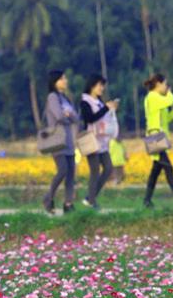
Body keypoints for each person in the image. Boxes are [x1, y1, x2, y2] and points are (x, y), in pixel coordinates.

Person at [142, 73, 173, 208]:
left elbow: (165, 120)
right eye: (165, 84)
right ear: (158, 84)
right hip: (154, 137)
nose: (166, 87)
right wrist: (170, 93)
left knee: (156, 171)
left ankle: (147, 200)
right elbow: (169, 100)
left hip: (158, 137)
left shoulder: (156, 99)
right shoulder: (153, 97)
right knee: (169, 168)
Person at [42, 70, 80, 214]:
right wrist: (67, 116)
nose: (65, 81)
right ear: (55, 82)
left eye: (65, 78)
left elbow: (75, 117)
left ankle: (68, 203)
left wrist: (68, 115)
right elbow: (58, 116)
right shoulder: (52, 97)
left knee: (71, 173)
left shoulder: (65, 98)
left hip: (69, 140)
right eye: (62, 79)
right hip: (58, 140)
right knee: (63, 170)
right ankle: (48, 198)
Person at [80, 74, 118, 209]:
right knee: (95, 170)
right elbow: (90, 118)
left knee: (108, 168)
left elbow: (103, 117)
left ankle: (89, 197)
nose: (102, 88)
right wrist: (106, 109)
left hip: (102, 141)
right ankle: (91, 201)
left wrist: (111, 109)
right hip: (91, 141)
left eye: (103, 85)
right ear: (92, 86)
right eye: (99, 85)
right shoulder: (85, 101)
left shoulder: (100, 101)